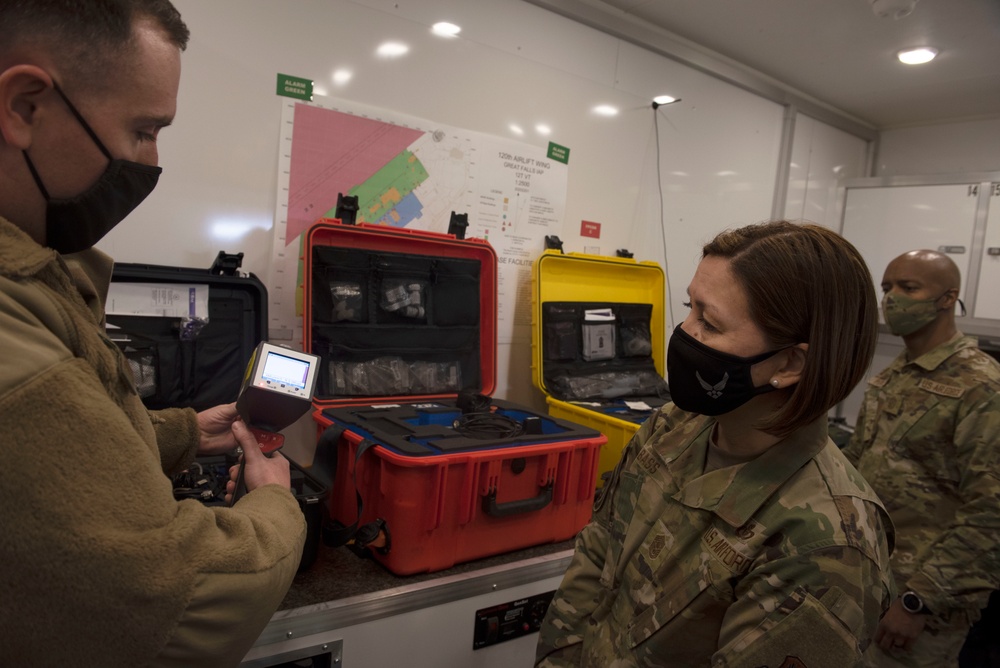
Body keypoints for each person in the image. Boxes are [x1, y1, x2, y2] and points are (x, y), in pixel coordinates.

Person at [0, 2, 306, 666]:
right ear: (23, 106)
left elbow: (75, 435)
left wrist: (187, 433)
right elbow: (177, 603)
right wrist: (277, 506)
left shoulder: (37, 268)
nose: (151, 161)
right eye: (143, 130)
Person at [535, 221, 895, 667]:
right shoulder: (674, 425)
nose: (685, 333)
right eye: (689, 307)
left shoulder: (826, 543)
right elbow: (597, 554)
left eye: (709, 321)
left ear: (790, 362)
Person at [843, 249, 1000, 668]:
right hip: (869, 581)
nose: (892, 299)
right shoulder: (893, 376)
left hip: (922, 605)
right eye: (887, 288)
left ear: (948, 298)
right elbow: (857, 470)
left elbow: (992, 513)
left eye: (909, 288)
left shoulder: (980, 386)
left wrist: (918, 601)